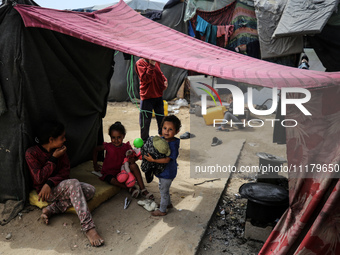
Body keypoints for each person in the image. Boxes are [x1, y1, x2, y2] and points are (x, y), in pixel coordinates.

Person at [25, 121, 104, 247]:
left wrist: (50, 182)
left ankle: (52, 209)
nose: (65, 140)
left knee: (90, 190)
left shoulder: (61, 150)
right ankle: (88, 227)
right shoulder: (31, 153)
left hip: (58, 185)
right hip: (46, 193)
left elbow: (65, 172)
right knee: (73, 183)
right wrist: (53, 158)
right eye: (62, 137)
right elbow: (39, 178)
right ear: (51, 139)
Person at [93, 121, 154, 199]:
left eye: (119, 137)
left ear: (123, 136)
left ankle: (143, 189)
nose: (116, 140)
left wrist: (133, 160)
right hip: (109, 172)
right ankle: (129, 188)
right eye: (113, 138)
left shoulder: (126, 147)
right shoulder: (108, 146)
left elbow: (135, 156)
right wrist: (95, 164)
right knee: (112, 180)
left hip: (123, 171)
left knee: (134, 166)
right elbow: (95, 150)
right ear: (110, 137)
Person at [144, 115, 181, 216]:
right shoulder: (164, 140)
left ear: (176, 131)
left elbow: (167, 160)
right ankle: (168, 204)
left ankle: (162, 210)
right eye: (164, 128)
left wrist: (153, 160)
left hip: (168, 173)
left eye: (170, 129)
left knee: (163, 191)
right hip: (164, 172)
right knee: (163, 188)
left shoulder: (173, 145)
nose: (166, 132)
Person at [135, 58, 168, 142]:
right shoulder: (140, 63)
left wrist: (164, 80)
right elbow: (146, 79)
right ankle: (145, 141)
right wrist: (151, 65)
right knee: (145, 122)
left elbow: (159, 73)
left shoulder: (155, 61)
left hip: (158, 95)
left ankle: (163, 138)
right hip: (147, 97)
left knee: (161, 119)